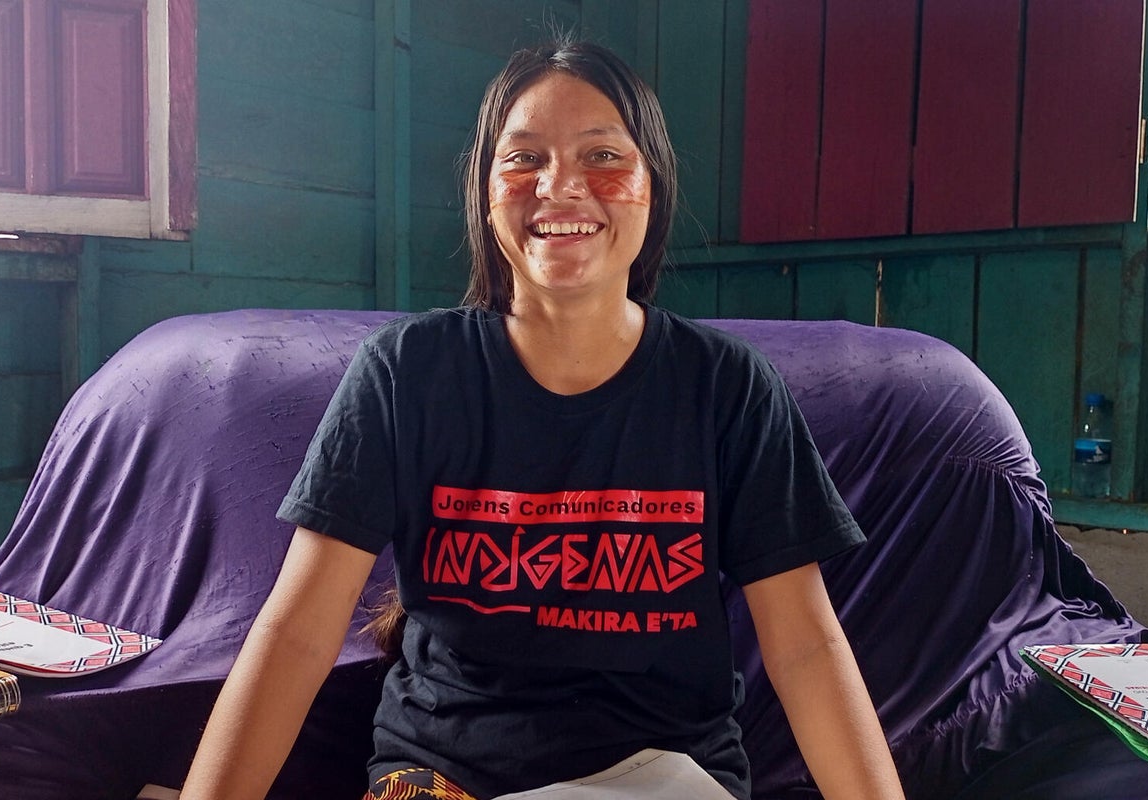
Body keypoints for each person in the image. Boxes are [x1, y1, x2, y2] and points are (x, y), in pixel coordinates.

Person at [181, 38, 905, 800]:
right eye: (524, 158)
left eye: (602, 156)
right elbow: (295, 635)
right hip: (441, 779)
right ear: (484, 193)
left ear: (652, 188)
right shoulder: (407, 375)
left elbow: (806, 649)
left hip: (665, 777)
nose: (560, 187)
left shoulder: (727, 390)